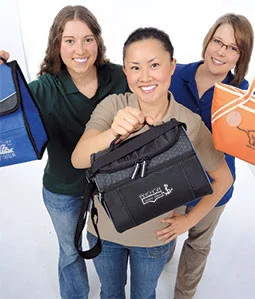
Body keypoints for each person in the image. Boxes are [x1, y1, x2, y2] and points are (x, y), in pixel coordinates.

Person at [71, 27, 233, 299]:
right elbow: (78, 159)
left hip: (154, 240)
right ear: (125, 72)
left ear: (172, 67)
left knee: (144, 295)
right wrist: (113, 132)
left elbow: (224, 179)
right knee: (110, 293)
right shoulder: (113, 106)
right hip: (105, 233)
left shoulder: (190, 123)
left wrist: (188, 221)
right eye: (135, 67)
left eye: (154, 65)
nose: (145, 77)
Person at [0, 5, 129, 299]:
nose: (80, 49)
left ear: (98, 41)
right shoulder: (42, 88)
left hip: (113, 187)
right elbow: (7, 120)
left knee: (112, 251)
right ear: (57, 45)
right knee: (70, 253)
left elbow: (154, 88)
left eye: (87, 39)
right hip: (63, 190)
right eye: (69, 40)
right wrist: (0, 80)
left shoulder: (119, 77)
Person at [169, 13, 254, 299]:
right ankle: (163, 259)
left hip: (213, 187)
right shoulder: (174, 74)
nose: (221, 52)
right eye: (218, 41)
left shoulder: (243, 94)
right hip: (171, 180)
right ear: (208, 41)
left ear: (241, 57)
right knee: (165, 232)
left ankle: (184, 294)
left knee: (198, 243)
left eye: (233, 48)